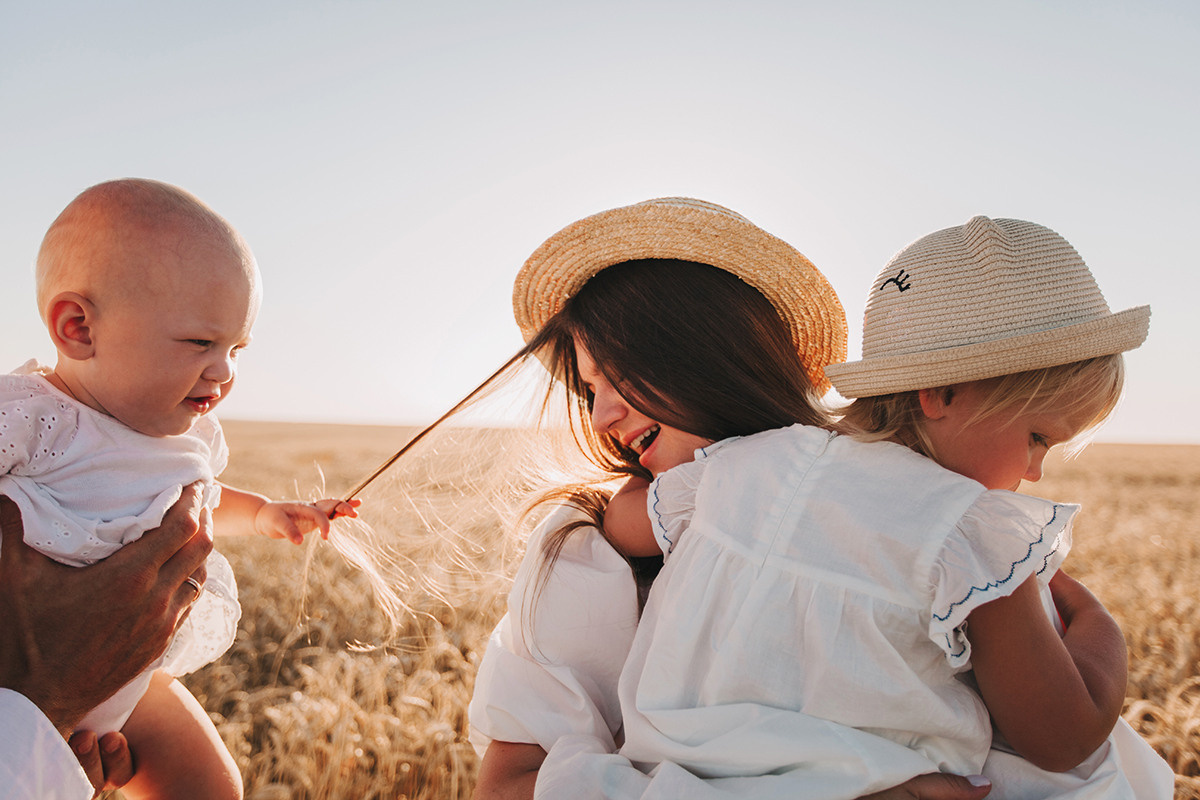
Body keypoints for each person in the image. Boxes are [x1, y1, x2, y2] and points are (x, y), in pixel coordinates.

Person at [590, 215, 1173, 797]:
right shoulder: (967, 533)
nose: (1033, 471)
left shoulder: (741, 463)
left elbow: (621, 523)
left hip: (674, 782)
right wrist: (1098, 624)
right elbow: (1062, 737)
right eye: (1037, 438)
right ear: (941, 392)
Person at [463, 197, 995, 799]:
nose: (601, 416)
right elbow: (507, 789)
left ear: (707, 351)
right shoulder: (590, 548)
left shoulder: (899, 510)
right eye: (590, 390)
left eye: (618, 375)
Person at [0, 179, 357, 800]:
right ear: (78, 327)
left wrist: (266, 514)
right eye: (200, 342)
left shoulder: (188, 435)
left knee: (216, 787)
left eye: (236, 348)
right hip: (16, 660)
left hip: (132, 674)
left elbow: (202, 497)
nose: (224, 370)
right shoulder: (32, 414)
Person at [0, 487, 212, 800]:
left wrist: (259, 513)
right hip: (17, 629)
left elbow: (205, 486)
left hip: (127, 666)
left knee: (211, 786)